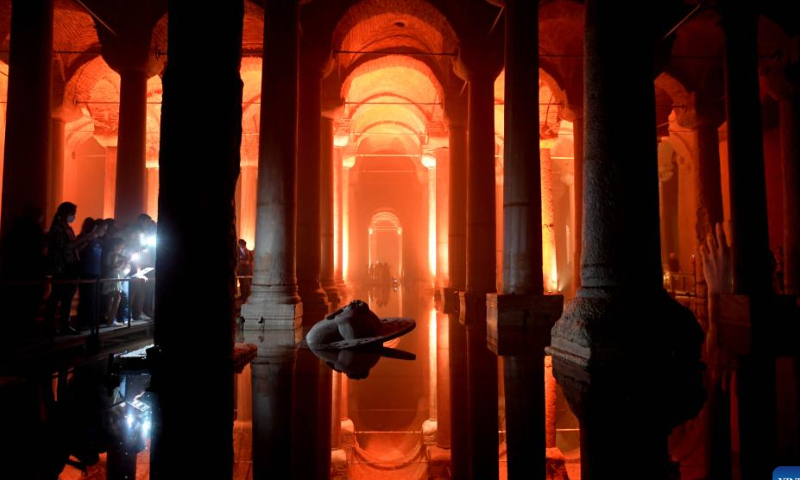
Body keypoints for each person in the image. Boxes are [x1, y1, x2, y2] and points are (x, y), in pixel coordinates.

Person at [45, 202, 97, 335]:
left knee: (68, 297)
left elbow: (74, 248)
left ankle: (65, 324)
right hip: (61, 267)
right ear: (65, 213)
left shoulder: (68, 228)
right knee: (56, 296)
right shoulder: (57, 229)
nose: (74, 217)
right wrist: (82, 239)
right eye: (72, 214)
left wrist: (86, 241)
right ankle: (50, 326)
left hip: (72, 267)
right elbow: (66, 247)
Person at [101, 237, 127, 327]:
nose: (122, 249)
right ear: (116, 245)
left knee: (111, 299)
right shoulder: (113, 254)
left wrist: (124, 262)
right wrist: (123, 262)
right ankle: (111, 320)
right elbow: (113, 267)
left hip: (113, 276)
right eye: (121, 247)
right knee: (115, 298)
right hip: (113, 276)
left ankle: (111, 319)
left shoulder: (114, 254)